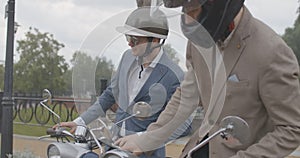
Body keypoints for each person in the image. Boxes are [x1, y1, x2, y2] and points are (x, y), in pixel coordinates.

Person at [116, 0, 300, 158]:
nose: (187, 19)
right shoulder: (200, 39)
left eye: (193, 8)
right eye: (184, 10)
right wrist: (147, 139)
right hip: (199, 147)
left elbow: (292, 129)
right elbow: (185, 97)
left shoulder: (271, 52)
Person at [55, 7, 192, 158]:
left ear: (155, 40)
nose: (129, 44)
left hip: (144, 153)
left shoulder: (174, 75)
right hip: (112, 148)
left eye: (135, 40)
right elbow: (109, 95)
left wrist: (143, 138)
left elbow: (184, 125)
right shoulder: (127, 57)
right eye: (128, 38)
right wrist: (80, 122)